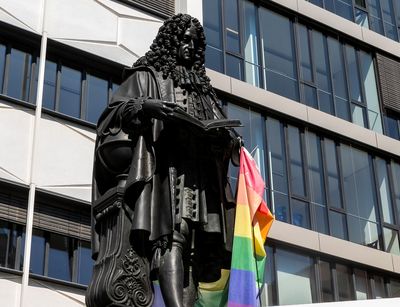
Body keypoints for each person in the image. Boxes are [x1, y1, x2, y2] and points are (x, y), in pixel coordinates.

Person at [91, 13, 240, 307]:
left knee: (197, 246)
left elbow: (220, 125)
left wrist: (231, 140)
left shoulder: (204, 90)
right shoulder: (147, 76)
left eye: (194, 43)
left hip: (201, 175)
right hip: (166, 171)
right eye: (184, 40)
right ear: (171, 41)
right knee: (174, 237)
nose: (189, 47)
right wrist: (149, 106)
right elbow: (111, 115)